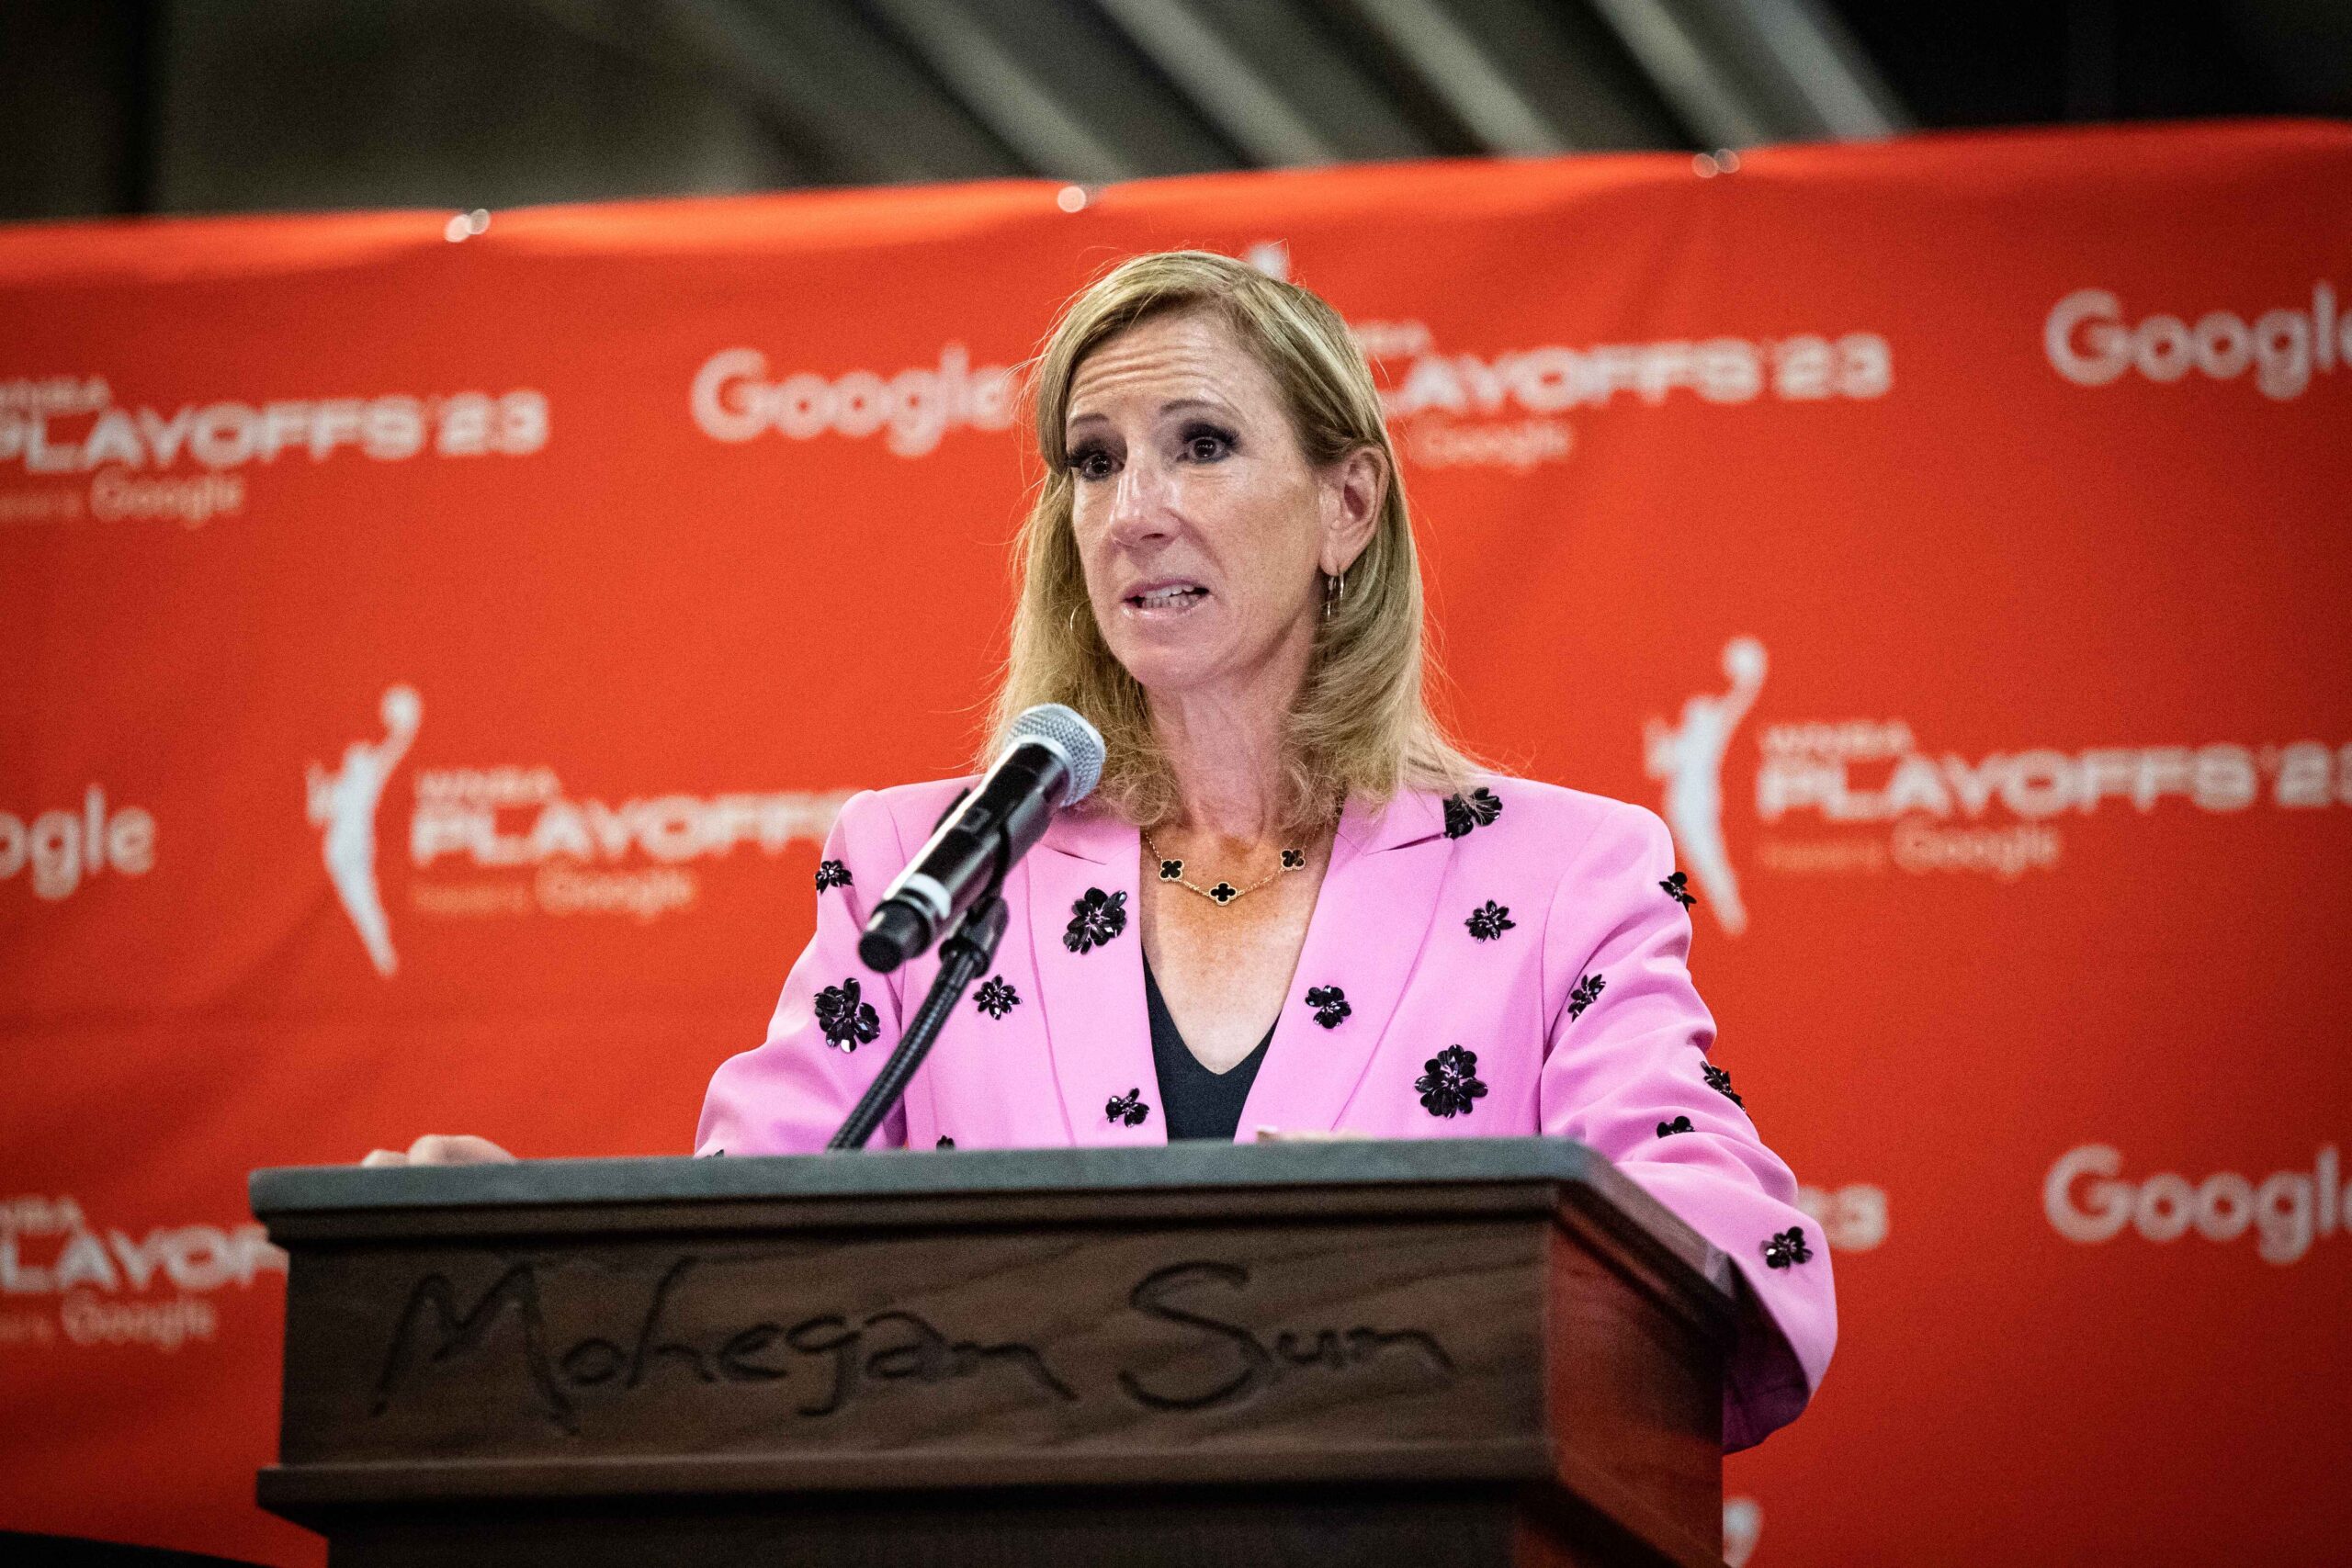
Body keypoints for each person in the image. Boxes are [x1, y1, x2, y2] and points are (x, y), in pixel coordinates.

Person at [368, 249, 1832, 1450]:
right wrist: (534, 1256)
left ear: (1348, 505)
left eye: (1201, 444)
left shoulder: (1562, 876)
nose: (1134, 512)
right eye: (1092, 459)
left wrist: (1428, 1285)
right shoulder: (918, 868)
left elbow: (1721, 1233)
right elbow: (749, 1236)